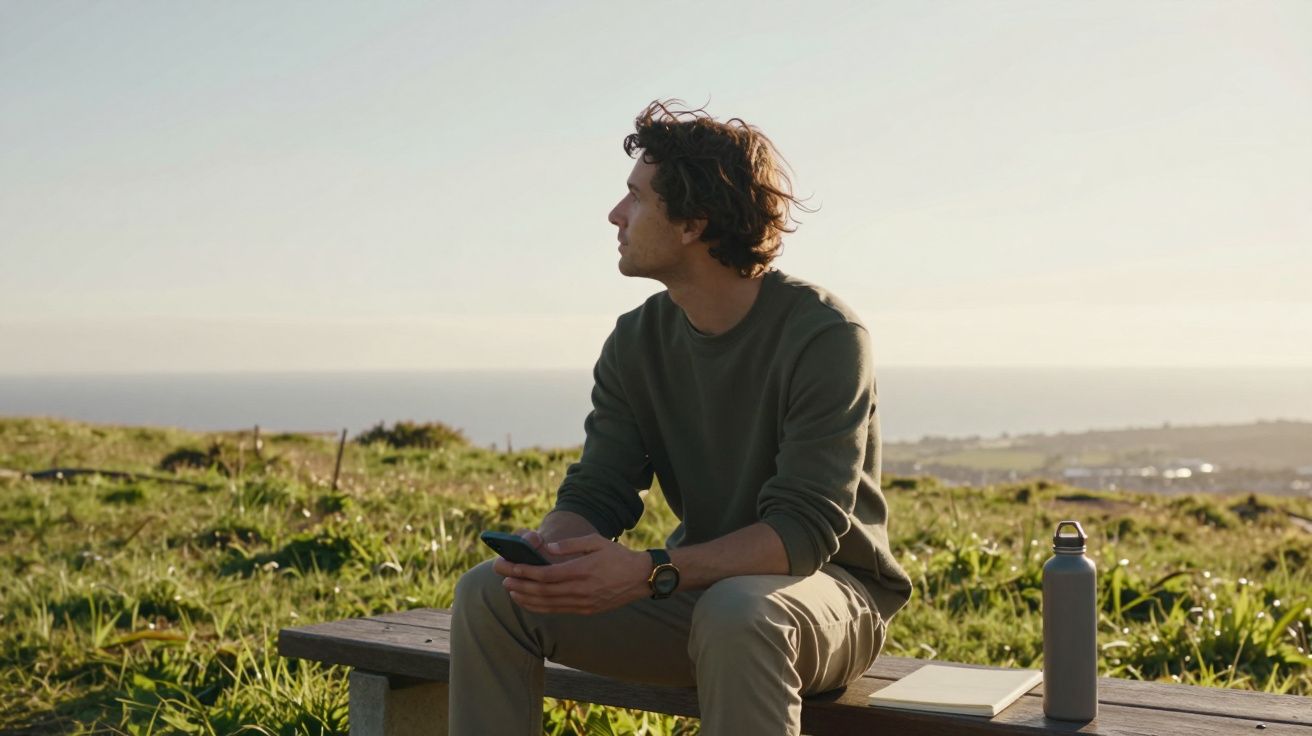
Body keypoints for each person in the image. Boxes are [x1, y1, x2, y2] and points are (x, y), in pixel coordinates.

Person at [449, 100, 912, 735]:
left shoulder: (826, 335)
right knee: (491, 593)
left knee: (738, 613)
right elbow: (600, 489)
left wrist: (648, 572)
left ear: (693, 221)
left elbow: (802, 533)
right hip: (692, 593)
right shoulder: (636, 340)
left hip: (828, 599)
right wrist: (556, 553)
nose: (615, 214)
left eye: (635, 198)